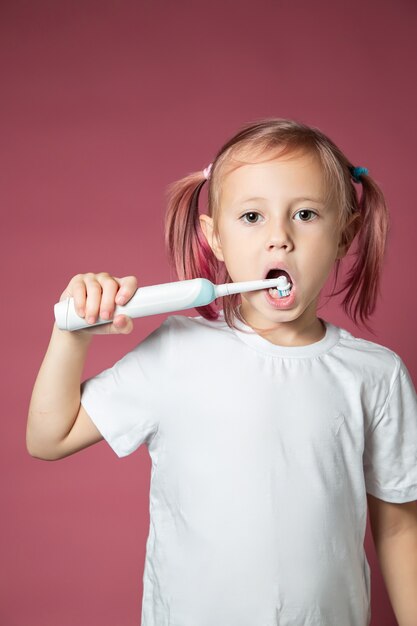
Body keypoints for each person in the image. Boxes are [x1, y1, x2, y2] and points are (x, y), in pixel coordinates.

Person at [27, 118, 417, 626]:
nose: (280, 238)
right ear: (215, 238)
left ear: (344, 235)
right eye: (252, 216)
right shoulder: (178, 352)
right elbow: (48, 437)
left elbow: (398, 530)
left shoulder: (375, 374)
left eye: (304, 214)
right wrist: (71, 335)